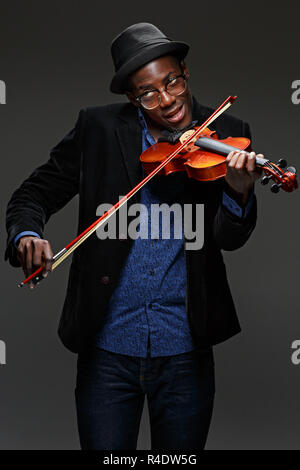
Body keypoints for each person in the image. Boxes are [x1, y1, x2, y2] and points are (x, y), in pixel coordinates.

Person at [5, 23, 262, 450]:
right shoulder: (98, 130)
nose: (167, 100)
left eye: (172, 82)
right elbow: (32, 193)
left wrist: (238, 191)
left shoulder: (225, 135)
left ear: (184, 72)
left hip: (185, 350)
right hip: (106, 351)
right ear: (131, 97)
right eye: (148, 93)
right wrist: (26, 235)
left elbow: (229, 238)